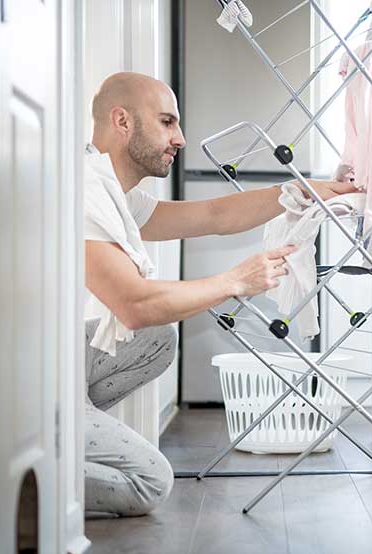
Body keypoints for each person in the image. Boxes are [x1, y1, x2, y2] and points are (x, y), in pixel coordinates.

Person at [83, 71, 355, 517]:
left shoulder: (113, 193)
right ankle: (21, 463)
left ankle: (68, 430)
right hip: (23, 375)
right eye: (168, 122)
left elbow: (213, 213)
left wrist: (306, 192)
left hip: (55, 356)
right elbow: (133, 306)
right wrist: (235, 281)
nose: (181, 138)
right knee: (150, 482)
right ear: (122, 121)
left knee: (159, 341)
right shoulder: (85, 191)